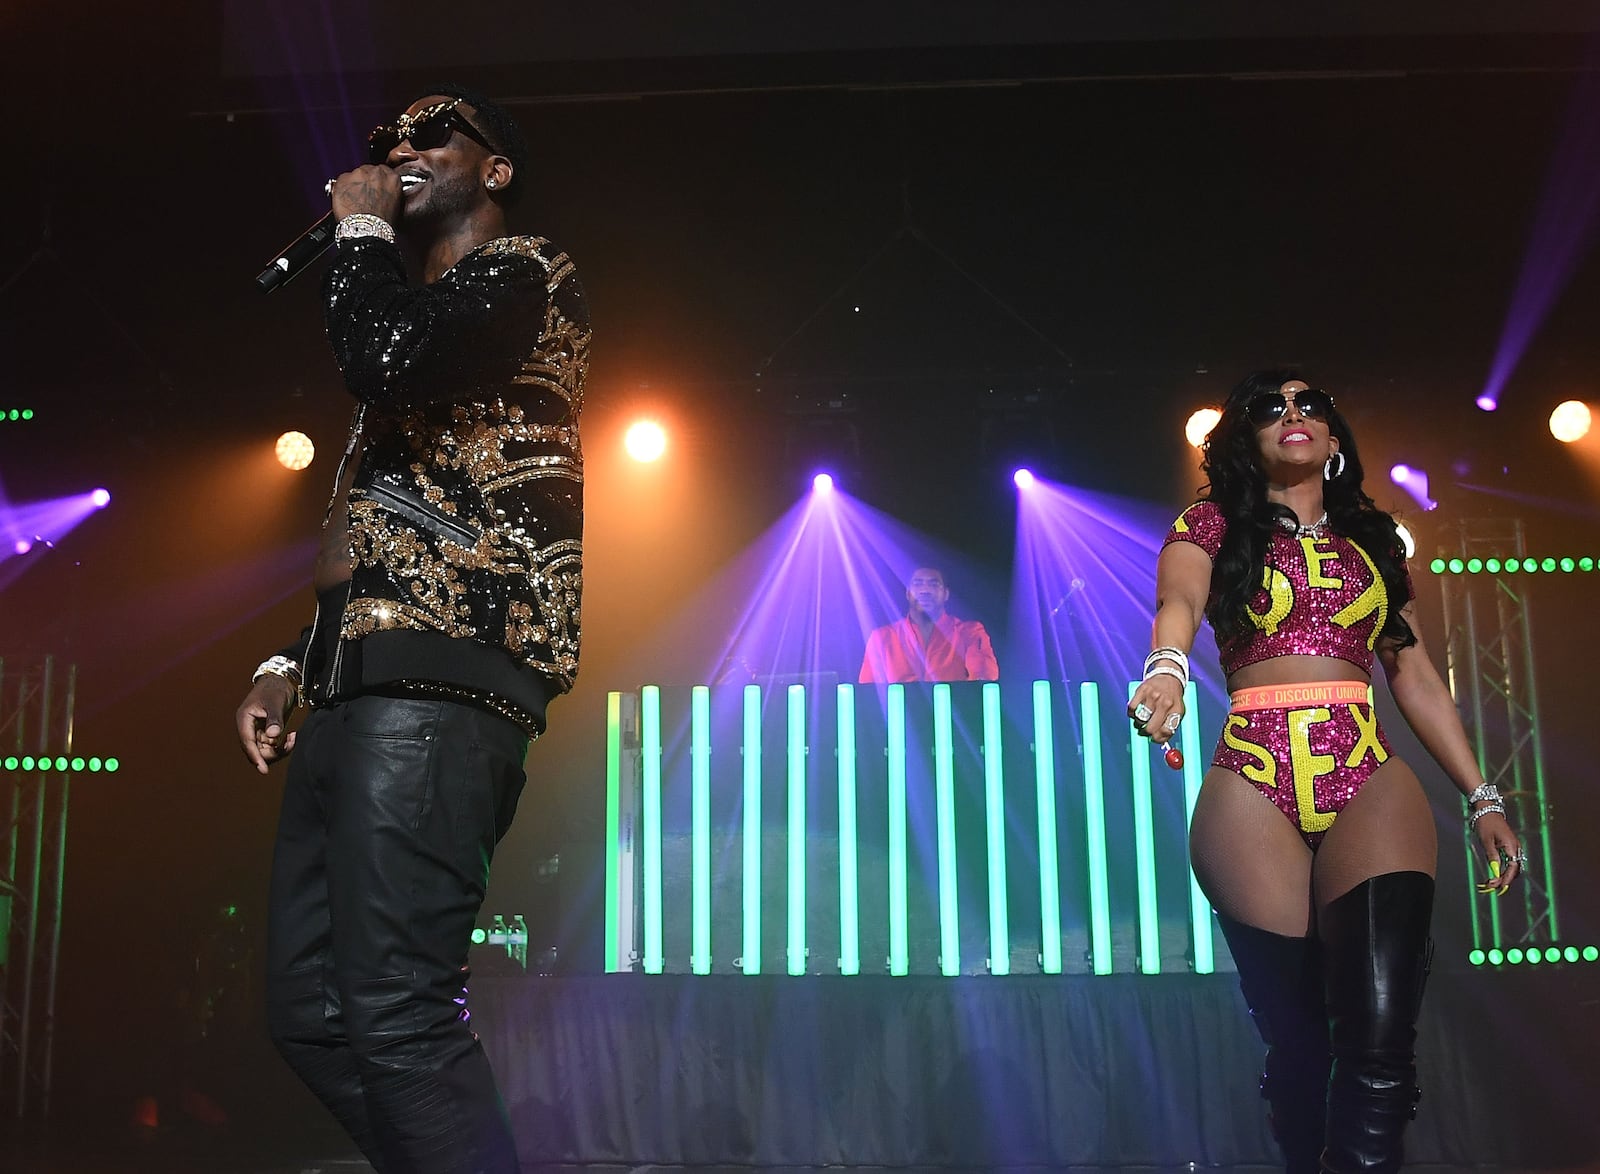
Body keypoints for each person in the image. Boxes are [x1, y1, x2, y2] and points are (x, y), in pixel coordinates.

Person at [233, 85, 589, 1174]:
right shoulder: (421, 327)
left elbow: (381, 355)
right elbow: (379, 540)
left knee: (394, 1013)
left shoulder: (527, 277)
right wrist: (289, 661)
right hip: (358, 681)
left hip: (444, 684)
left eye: (431, 133)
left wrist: (360, 226)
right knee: (311, 1012)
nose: (398, 146)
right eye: (387, 136)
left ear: (495, 169)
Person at [1127, 371, 1523, 1174]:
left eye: (1310, 405)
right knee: (1302, 1045)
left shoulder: (1374, 542)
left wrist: (1482, 797)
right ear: (1247, 439)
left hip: (1364, 769)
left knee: (1378, 1036)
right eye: (1270, 408)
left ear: (1335, 439)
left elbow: (1413, 675)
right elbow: (1179, 601)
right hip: (1252, 774)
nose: (1293, 415)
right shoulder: (1211, 524)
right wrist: (1167, 666)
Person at [859, 566, 999, 683]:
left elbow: (984, 679)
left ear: (946, 594)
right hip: (899, 714)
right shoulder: (881, 637)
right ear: (908, 593)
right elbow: (867, 693)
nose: (925, 590)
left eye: (933, 584)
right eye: (918, 583)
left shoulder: (970, 632)